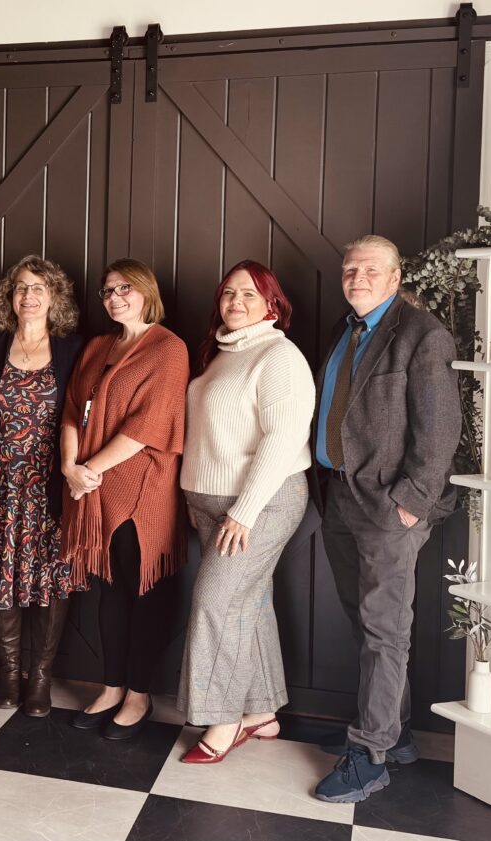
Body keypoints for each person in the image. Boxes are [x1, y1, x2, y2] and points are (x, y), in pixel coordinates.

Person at [312, 235, 461, 803]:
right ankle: (392, 735)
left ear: (396, 277)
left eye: (371, 269)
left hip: (387, 508)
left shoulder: (422, 336)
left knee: (384, 629)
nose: (357, 278)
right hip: (340, 499)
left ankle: (369, 754)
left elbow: (440, 428)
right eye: (350, 269)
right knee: (368, 624)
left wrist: (411, 501)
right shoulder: (344, 330)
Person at [176, 260, 314, 763]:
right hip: (212, 504)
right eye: (229, 294)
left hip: (262, 502)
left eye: (250, 295)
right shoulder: (220, 352)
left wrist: (245, 512)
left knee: (216, 603)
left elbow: (282, 441)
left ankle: (224, 720)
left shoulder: (278, 356)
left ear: (272, 305)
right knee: (248, 605)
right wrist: (195, 497)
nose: (236, 303)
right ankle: (260, 713)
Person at [61, 258, 189, 739]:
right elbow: (72, 410)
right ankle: (111, 686)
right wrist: (69, 468)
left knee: (143, 591)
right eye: (108, 290)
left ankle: (139, 694)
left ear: (146, 292)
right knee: (108, 591)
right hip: (91, 489)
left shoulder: (168, 348)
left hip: (141, 490)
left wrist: (88, 469)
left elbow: (148, 428)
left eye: (125, 289)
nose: (115, 297)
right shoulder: (98, 346)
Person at [0, 255, 85, 717]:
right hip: (0, 484)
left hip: (51, 484)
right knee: (1, 578)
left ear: (54, 297)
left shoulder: (74, 349)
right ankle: (8, 671)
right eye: (20, 288)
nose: (28, 296)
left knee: (51, 582)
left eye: (38, 288)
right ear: (8, 298)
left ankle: (41, 677)